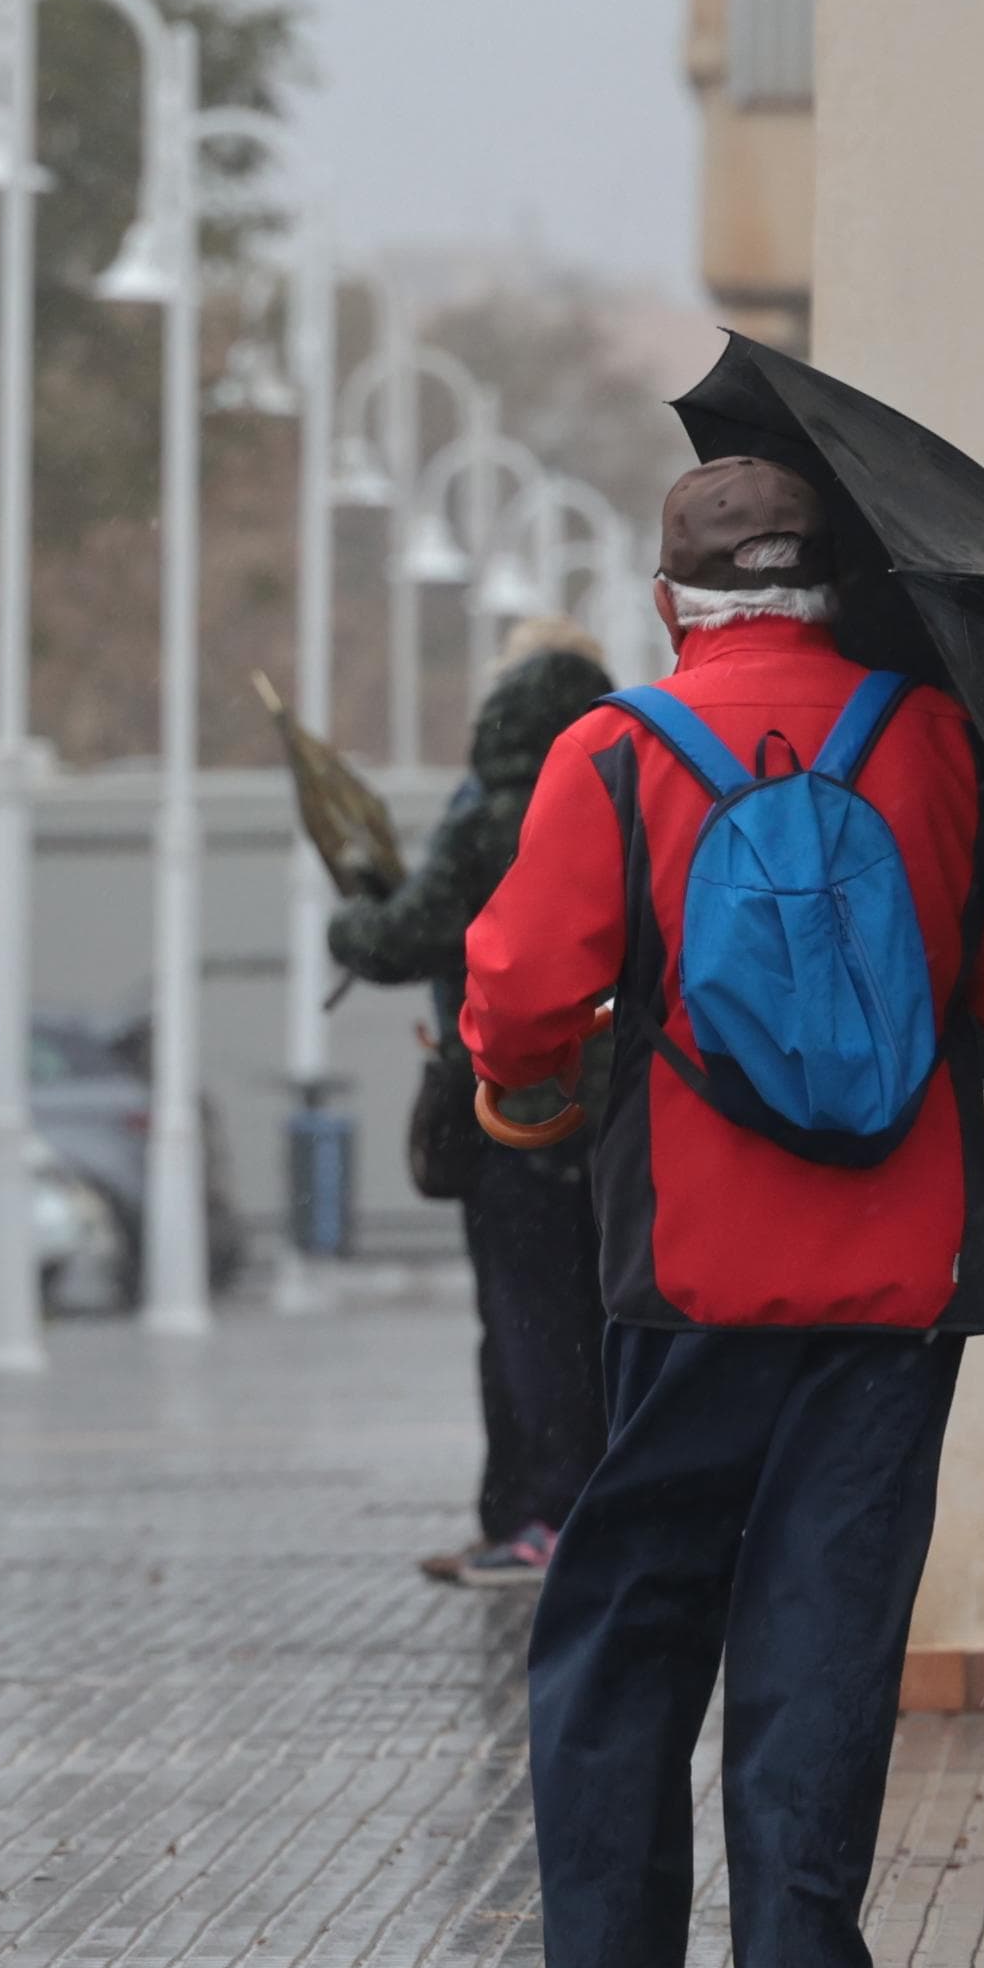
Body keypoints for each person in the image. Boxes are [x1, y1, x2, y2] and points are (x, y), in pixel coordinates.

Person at [460, 458, 984, 1968]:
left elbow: (522, 994)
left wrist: (553, 1047)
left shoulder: (618, 750)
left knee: (632, 1594)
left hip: (693, 1258)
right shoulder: (942, 740)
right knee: (831, 1606)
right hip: (902, 1268)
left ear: (675, 605)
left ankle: (600, 1963)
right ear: (831, 591)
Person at [327, 619, 612, 1590]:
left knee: (524, 1324)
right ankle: (586, 1515)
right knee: (595, 1317)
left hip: (508, 1101)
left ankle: (537, 1519)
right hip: (609, 1104)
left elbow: (405, 934)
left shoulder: (490, 805)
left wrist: (352, 916)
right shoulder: (616, 785)